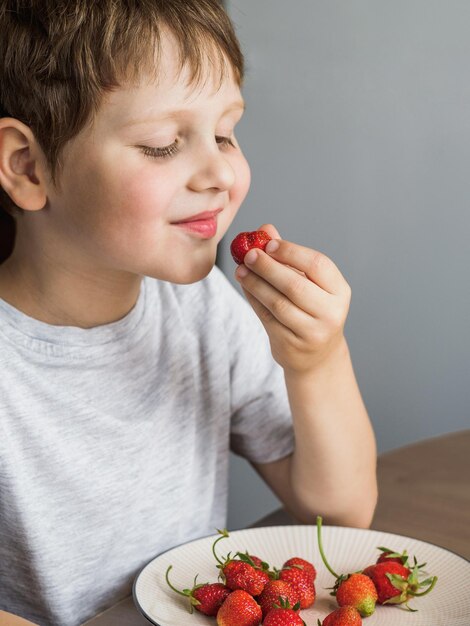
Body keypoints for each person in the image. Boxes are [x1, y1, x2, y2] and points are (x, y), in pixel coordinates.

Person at [0, 1, 377, 624]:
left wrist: (316, 361)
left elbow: (339, 515)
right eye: (162, 144)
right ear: (26, 164)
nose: (220, 173)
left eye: (226, 133)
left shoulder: (201, 310)